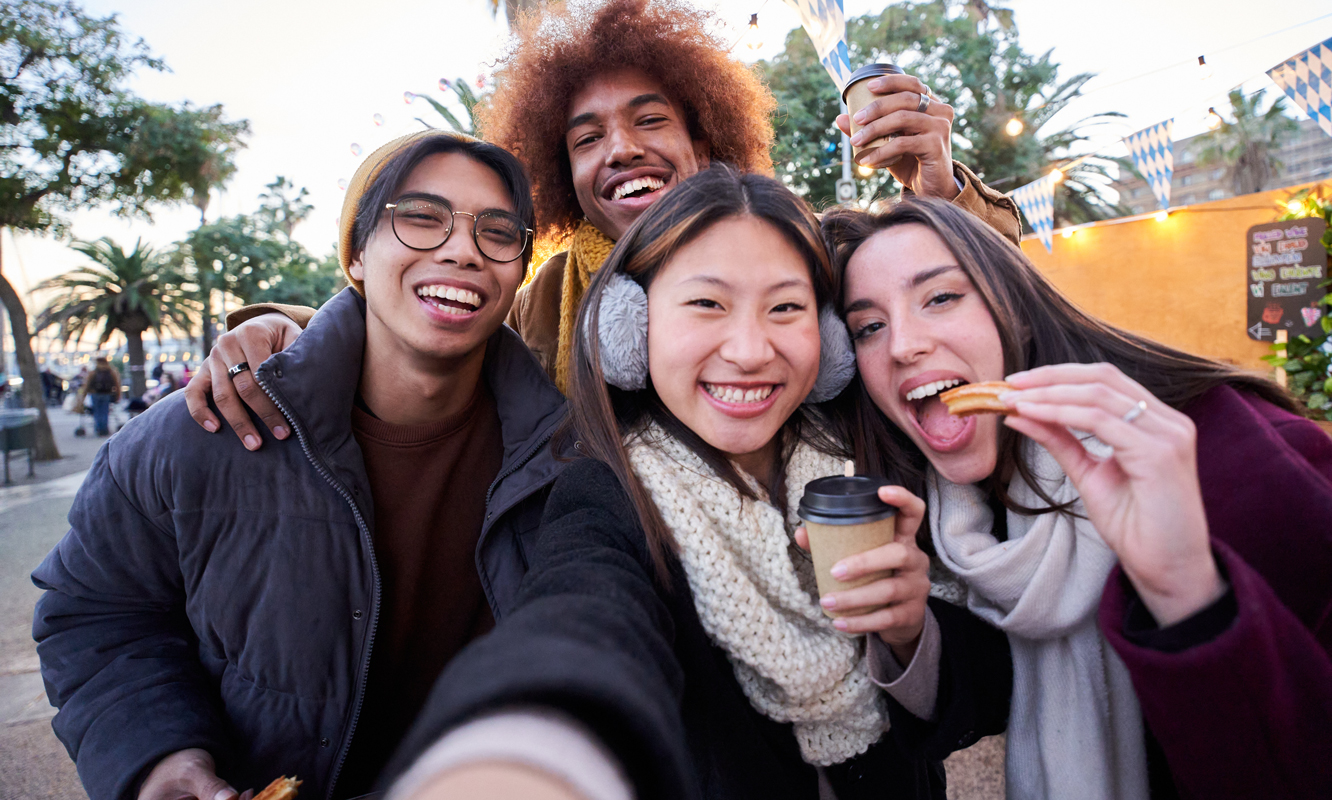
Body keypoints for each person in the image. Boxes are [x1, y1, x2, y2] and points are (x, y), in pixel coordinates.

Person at [375, 167, 1011, 800]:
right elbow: (581, 617)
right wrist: (529, 754)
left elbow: (992, 692)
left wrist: (910, 634)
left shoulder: (877, 457)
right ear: (632, 326)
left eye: (785, 308)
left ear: (829, 335)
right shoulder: (606, 492)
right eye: (707, 303)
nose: (750, 350)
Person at [182, 0, 1022, 452]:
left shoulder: (800, 248)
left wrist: (939, 192)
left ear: (706, 139)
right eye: (586, 138)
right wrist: (280, 332)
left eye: (650, 121)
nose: (621, 150)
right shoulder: (540, 301)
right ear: (562, 176)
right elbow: (422, 331)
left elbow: (972, 302)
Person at [32, 131, 569, 800]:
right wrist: (159, 756)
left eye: (498, 232)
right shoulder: (201, 431)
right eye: (421, 218)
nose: (462, 250)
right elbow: (97, 613)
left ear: (519, 269)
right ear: (356, 254)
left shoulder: (566, 460)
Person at [823, 197, 1332, 799]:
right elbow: (1013, 675)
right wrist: (911, 629)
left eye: (941, 297)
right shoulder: (960, 503)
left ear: (1015, 310)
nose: (902, 346)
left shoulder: (1233, 456)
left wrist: (1188, 593)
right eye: (869, 327)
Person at [81, 355, 121, 435]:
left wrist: (83, 396)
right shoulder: (111, 372)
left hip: (95, 394)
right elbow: (117, 384)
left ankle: (99, 429)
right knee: (105, 411)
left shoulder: (94, 372)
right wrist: (117, 395)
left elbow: (87, 385)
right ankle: (104, 429)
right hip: (107, 394)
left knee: (97, 412)